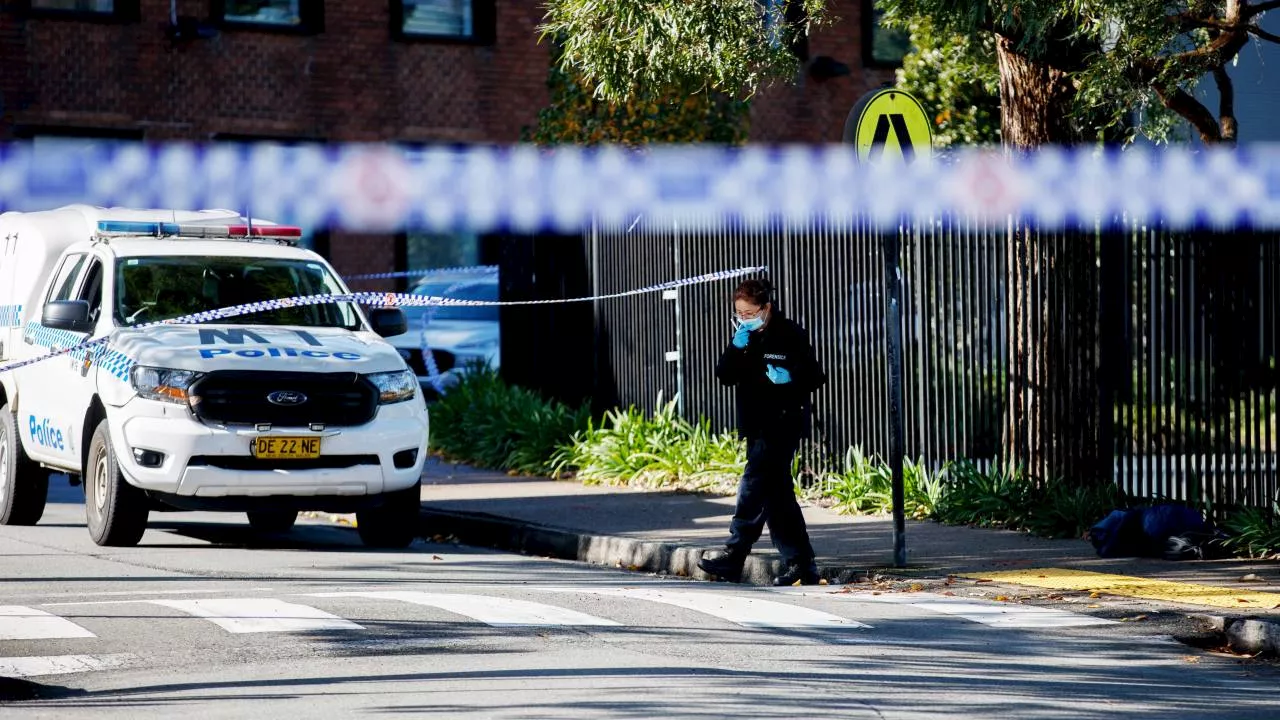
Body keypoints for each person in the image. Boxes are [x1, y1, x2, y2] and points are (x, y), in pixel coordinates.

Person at [698, 278, 826, 586]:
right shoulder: (745, 338)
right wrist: (734, 347)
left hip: (783, 423)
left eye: (749, 312)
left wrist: (789, 377)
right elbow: (725, 375)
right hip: (755, 426)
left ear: (766, 308)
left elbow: (815, 375)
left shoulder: (790, 333)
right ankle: (801, 564)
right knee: (777, 496)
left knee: (753, 486)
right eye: (739, 313)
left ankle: (734, 554)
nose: (744, 318)